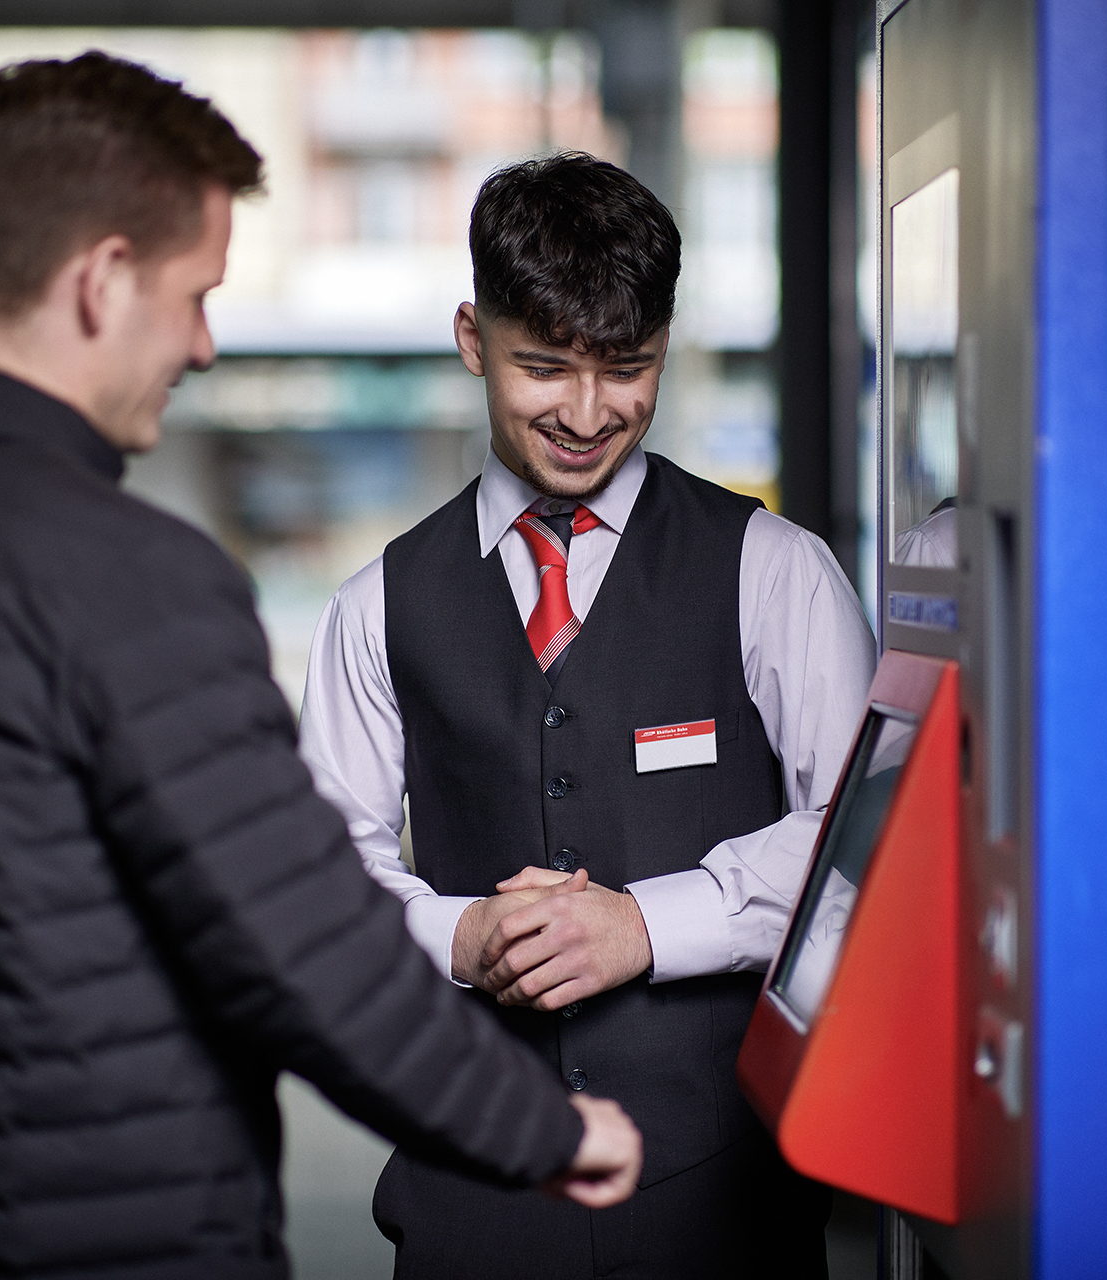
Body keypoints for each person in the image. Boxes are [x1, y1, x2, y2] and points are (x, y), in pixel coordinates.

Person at [0, 55, 639, 1280]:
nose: (202, 344)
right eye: (195, 293)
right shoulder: (134, 581)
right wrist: (544, 1125)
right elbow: (302, 942)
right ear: (101, 281)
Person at [299, 153, 877, 1278]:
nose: (584, 411)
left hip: (724, 1210)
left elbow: (863, 855)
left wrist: (650, 925)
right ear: (473, 338)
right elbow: (319, 882)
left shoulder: (776, 572)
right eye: (543, 366)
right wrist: (461, 936)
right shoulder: (375, 605)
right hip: (472, 1209)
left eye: (627, 368)